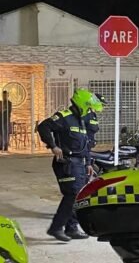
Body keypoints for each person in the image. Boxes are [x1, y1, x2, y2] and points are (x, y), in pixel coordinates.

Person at [38, 88, 103, 242]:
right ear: (82, 104)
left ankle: (72, 228)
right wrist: (53, 146)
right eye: (88, 107)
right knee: (72, 195)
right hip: (66, 163)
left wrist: (88, 162)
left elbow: (85, 144)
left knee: (79, 196)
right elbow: (43, 127)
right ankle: (56, 227)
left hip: (80, 164)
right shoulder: (64, 117)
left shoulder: (82, 120)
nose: (90, 111)